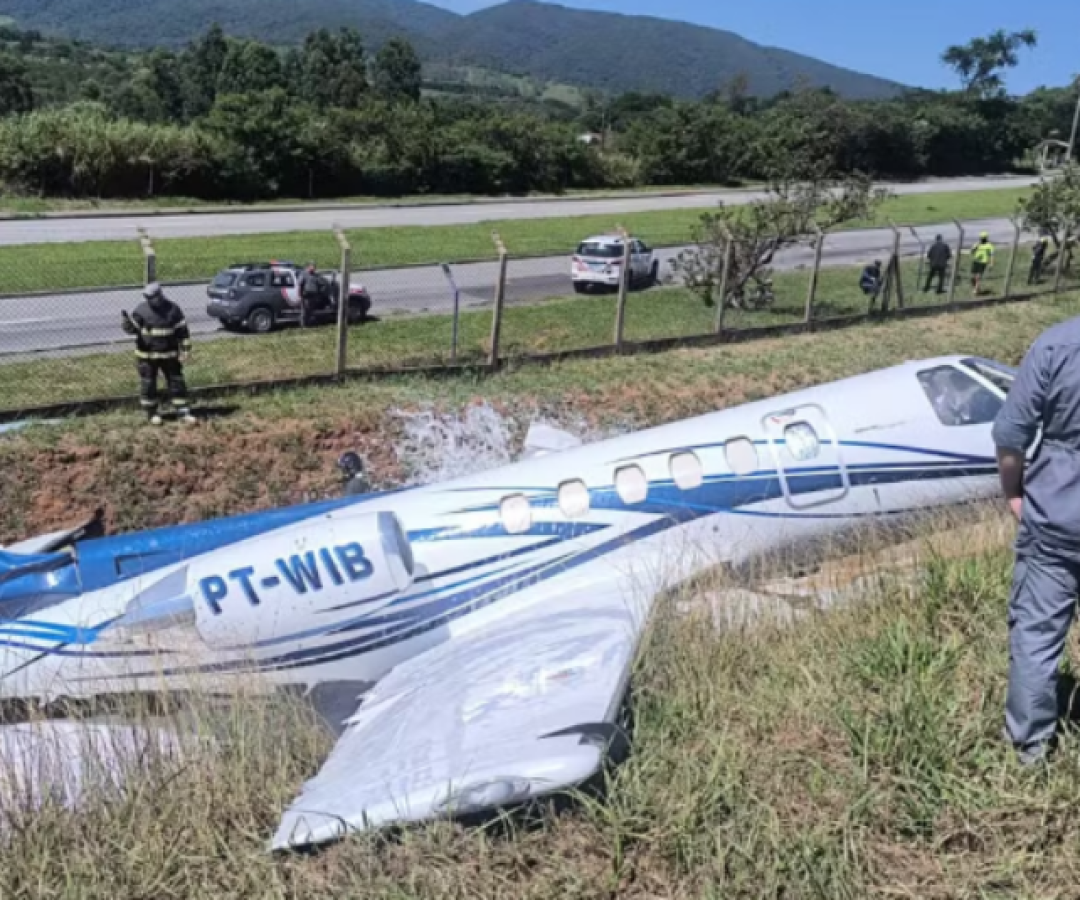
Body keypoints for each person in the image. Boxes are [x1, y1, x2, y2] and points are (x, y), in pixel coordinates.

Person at [992, 318, 1080, 766]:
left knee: (1037, 634)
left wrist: (1013, 491)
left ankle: (1031, 751)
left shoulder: (1057, 344)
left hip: (1057, 516)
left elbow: (1011, 436)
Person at [121, 283, 194, 426]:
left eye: (152, 297)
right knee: (148, 385)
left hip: (170, 356)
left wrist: (185, 350)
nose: (149, 300)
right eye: (147, 297)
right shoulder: (141, 310)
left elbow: (182, 331)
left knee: (176, 383)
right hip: (147, 358)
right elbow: (133, 330)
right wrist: (127, 323)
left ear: (160, 295)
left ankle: (183, 411)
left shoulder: (173, 309)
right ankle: (151, 413)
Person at [299, 263, 326, 327]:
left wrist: (320, 292)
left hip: (314, 295)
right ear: (308, 267)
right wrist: (300, 294)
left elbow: (322, 284)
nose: (313, 268)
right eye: (312, 267)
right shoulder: (304, 274)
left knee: (311, 310)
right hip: (306, 295)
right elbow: (300, 285)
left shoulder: (316, 276)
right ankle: (303, 324)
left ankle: (309, 323)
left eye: (314, 267)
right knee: (305, 310)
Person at [970, 231, 995, 295]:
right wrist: (974, 248)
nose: (982, 239)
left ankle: (976, 290)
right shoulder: (977, 244)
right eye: (981, 238)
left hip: (983, 262)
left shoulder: (989, 245)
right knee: (973, 277)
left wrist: (991, 263)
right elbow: (972, 252)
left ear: (986, 238)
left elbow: (992, 255)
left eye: (983, 238)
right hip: (976, 261)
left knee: (978, 277)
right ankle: (977, 288)